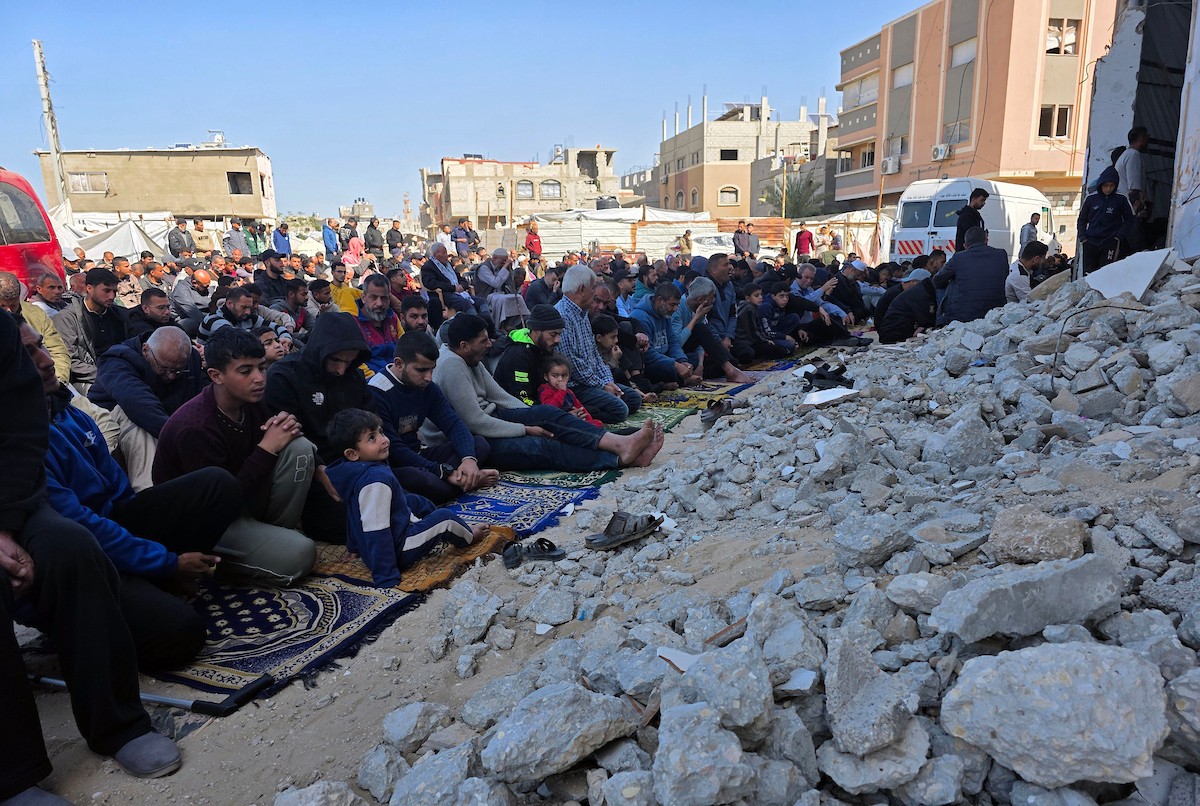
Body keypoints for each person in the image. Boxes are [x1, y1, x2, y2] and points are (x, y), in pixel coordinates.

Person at [4, 311, 187, 799]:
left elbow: (22, 438)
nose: (42, 361)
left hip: (12, 498)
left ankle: (118, 724)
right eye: (30, 352)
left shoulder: (25, 366)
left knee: (71, 545)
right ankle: (11, 774)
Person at [153, 327, 317, 586]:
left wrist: (286, 429)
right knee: (301, 555)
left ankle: (274, 538)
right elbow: (219, 503)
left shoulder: (251, 401)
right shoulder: (195, 427)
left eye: (261, 368)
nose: (259, 378)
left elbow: (262, 460)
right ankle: (224, 565)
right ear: (216, 376)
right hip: (206, 526)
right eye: (245, 371)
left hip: (241, 502)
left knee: (300, 448)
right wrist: (267, 448)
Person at [425, 314, 662, 472]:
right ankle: (619, 457)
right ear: (465, 345)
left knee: (550, 417)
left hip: (494, 418)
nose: (490, 345)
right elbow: (474, 421)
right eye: (483, 341)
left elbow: (498, 396)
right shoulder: (452, 364)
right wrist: (526, 428)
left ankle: (622, 445)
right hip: (471, 439)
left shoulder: (470, 357)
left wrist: (536, 415)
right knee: (542, 446)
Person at [325, 409, 484, 588]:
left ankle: (427, 527)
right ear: (352, 453)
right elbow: (377, 531)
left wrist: (354, 546)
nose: (383, 439)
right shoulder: (375, 481)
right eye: (372, 438)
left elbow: (354, 513)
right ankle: (468, 536)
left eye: (381, 432)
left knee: (415, 501)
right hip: (399, 550)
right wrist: (386, 576)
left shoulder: (354, 470)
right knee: (445, 518)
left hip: (384, 541)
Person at [368, 331, 497, 503]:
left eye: (431, 369)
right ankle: (466, 481)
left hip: (419, 453)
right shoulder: (377, 392)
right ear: (399, 364)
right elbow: (395, 449)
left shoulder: (427, 387)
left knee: (479, 445)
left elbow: (453, 424)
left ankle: (463, 478)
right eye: (421, 370)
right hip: (394, 463)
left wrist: (469, 460)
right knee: (429, 482)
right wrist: (443, 471)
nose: (428, 377)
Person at [88, 326, 205, 491]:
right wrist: (181, 438)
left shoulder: (190, 358)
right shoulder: (118, 359)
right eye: (164, 369)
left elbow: (197, 399)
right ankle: (149, 491)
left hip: (167, 421)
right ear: (145, 350)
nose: (171, 376)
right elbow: (139, 404)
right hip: (114, 418)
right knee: (137, 420)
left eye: (178, 371)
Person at [555, 266, 643, 424]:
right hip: (576, 386)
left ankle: (593, 408)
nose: (595, 291)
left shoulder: (582, 314)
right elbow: (573, 365)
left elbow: (595, 355)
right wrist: (602, 385)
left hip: (592, 381)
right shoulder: (563, 316)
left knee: (633, 399)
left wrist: (607, 382)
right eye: (593, 287)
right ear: (582, 289)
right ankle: (584, 411)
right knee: (620, 410)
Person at [54, 267, 129, 393]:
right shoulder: (67, 318)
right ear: (89, 288)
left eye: (114, 291)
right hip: (88, 379)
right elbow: (68, 360)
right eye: (106, 290)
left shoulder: (117, 314)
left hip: (120, 373)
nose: (111, 296)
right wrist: (106, 374)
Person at [670, 276, 755, 383]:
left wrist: (701, 364)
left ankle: (716, 370)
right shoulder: (679, 307)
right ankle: (730, 371)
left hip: (691, 354)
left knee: (731, 361)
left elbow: (700, 341)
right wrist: (696, 318)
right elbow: (677, 343)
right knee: (701, 329)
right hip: (678, 354)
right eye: (712, 297)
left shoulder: (698, 308)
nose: (714, 300)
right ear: (701, 299)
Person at [0, 271, 70, 383]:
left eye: (13, 305)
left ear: (19, 298)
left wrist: (59, 380)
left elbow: (57, 350)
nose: (8, 311)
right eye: (2, 306)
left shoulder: (36, 314)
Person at [934, 226, 1009, 326]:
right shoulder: (1001, 255)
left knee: (949, 284)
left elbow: (937, 280)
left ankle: (940, 323)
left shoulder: (959, 257)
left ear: (965, 245)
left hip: (963, 317)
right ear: (986, 241)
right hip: (996, 313)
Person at [492, 304, 566, 404]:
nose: (558, 340)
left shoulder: (544, 349)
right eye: (553, 334)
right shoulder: (518, 355)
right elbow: (522, 398)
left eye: (559, 334)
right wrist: (559, 414)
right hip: (514, 410)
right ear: (535, 331)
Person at [631, 282, 698, 385]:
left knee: (693, 358)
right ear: (659, 301)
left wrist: (682, 361)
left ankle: (679, 379)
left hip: (663, 357)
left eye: (677, 305)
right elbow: (648, 354)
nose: (675, 309)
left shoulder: (664, 313)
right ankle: (682, 381)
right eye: (672, 304)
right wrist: (675, 365)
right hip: (649, 362)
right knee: (665, 370)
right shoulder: (641, 317)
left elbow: (672, 341)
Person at [1078, 165, 1135, 275]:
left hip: (1110, 241)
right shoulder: (1091, 198)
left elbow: (1130, 220)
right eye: (1105, 186)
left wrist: (1118, 236)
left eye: (1111, 185)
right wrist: (1082, 237)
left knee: (1106, 272)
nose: (1108, 189)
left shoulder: (1121, 199)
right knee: (1088, 273)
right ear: (1100, 185)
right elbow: (1082, 219)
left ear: (1115, 185)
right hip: (1090, 241)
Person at [199, 286, 287, 345]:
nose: (248, 312)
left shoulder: (248, 318)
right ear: (230, 304)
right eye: (244, 307)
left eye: (249, 307)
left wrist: (285, 338)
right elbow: (236, 339)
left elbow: (277, 327)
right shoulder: (214, 319)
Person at [537, 355, 602, 427]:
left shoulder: (569, 392)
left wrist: (588, 419)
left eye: (564, 375)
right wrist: (561, 391)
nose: (560, 379)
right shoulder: (546, 391)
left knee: (597, 423)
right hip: (556, 422)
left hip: (573, 419)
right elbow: (550, 409)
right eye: (555, 376)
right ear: (546, 377)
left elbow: (580, 407)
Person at [356, 274, 402, 375]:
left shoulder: (392, 317)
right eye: (374, 297)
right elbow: (355, 362)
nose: (379, 303)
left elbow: (404, 348)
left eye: (384, 298)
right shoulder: (353, 322)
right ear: (364, 298)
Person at [477, 248, 530, 332]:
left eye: (505, 262)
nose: (503, 264)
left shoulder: (501, 267)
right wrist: (505, 267)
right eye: (502, 261)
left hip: (500, 294)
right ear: (494, 258)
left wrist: (509, 269)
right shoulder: (484, 268)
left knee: (518, 298)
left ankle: (518, 323)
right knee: (501, 300)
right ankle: (498, 327)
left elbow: (510, 283)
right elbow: (496, 283)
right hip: (486, 296)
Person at [736, 283, 794, 359]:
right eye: (756, 296)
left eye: (761, 294)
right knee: (782, 350)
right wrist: (765, 341)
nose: (760, 297)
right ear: (748, 298)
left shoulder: (755, 307)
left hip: (757, 339)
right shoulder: (749, 309)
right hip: (747, 342)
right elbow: (753, 332)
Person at [879, 271, 938, 344]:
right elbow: (925, 319)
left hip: (889, 331)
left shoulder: (913, 292)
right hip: (893, 335)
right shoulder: (918, 294)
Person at [168, 267, 213, 337]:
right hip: (186, 318)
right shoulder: (181, 290)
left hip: (204, 314)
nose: (207, 288)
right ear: (195, 283)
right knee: (189, 324)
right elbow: (191, 310)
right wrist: (210, 325)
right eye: (205, 287)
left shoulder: (203, 287)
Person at [271, 279, 312, 344]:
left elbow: (314, 328)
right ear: (291, 294)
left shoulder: (302, 311)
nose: (307, 297)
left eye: (307, 294)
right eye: (303, 294)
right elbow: (279, 335)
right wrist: (304, 337)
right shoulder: (276, 310)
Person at [955, 188, 989, 253]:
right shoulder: (966, 216)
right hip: (968, 252)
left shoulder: (974, 215)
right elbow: (973, 235)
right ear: (973, 199)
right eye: (982, 200)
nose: (983, 203)